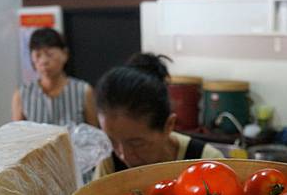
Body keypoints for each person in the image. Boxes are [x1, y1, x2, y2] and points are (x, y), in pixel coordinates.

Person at [93, 53, 223, 179]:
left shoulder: (207, 161)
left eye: (136, 143)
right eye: (111, 141)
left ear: (169, 126)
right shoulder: (109, 163)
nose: (123, 155)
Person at [11, 28, 98, 127]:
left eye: (50, 54)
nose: (44, 61)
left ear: (65, 54)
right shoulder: (22, 94)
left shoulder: (83, 91)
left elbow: (94, 134)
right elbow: (17, 135)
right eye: (38, 55)